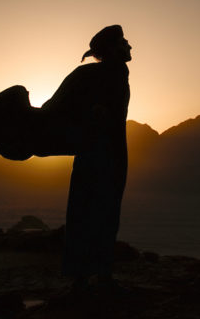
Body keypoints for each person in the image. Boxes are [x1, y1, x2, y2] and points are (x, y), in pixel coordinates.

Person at [41, 25, 132, 290]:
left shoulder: (119, 74)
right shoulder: (87, 75)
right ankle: (82, 276)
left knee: (107, 211)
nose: (130, 46)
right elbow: (54, 106)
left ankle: (99, 273)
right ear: (113, 48)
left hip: (114, 150)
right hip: (95, 151)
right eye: (125, 41)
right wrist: (90, 115)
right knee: (86, 209)